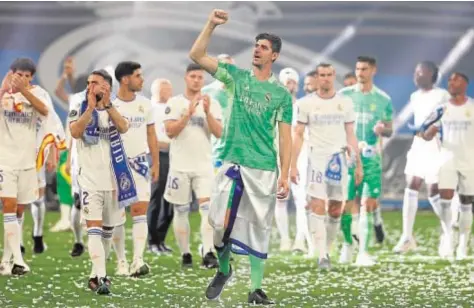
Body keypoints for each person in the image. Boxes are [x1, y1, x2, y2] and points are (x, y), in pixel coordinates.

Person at [190, 9, 293, 305]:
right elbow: (196, 54)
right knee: (219, 225)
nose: (257, 50)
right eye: (256, 46)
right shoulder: (236, 77)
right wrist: (210, 24)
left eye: (263, 47)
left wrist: (285, 174)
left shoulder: (282, 96)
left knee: (261, 227)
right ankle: (224, 270)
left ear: (274, 56)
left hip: (263, 168)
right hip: (232, 161)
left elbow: (285, 138)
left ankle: (256, 289)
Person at [292, 63, 362, 269]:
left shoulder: (345, 103)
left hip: (338, 160)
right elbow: (297, 134)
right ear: (317, 77)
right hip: (316, 159)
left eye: (329, 75)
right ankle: (322, 254)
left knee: (334, 208)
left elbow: (351, 134)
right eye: (321, 75)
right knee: (316, 204)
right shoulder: (305, 104)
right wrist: (292, 165)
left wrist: (357, 164)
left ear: (334, 77)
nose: (325, 78)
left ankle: (327, 249)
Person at [68, 69, 130, 294]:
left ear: (107, 87)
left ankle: (96, 275)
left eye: (95, 83)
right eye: (88, 83)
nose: (89, 86)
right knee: (93, 228)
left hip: (114, 180)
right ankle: (102, 277)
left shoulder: (117, 107)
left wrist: (107, 106)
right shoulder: (79, 105)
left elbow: (123, 127)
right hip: (89, 179)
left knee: (107, 230)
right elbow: (75, 132)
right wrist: (91, 108)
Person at [163, 63, 222, 269]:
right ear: (186, 78)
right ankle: (186, 253)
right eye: (193, 76)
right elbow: (170, 131)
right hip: (179, 166)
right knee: (181, 211)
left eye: (200, 77)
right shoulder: (175, 102)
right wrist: (188, 113)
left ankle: (208, 252)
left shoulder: (211, 103)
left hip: (204, 165)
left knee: (207, 209)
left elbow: (219, 133)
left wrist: (207, 113)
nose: (197, 80)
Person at [339, 56, 393, 266]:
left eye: (364, 69)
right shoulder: (343, 96)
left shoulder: (383, 99)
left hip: (371, 159)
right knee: (346, 204)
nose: (360, 73)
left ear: (373, 71)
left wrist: (383, 129)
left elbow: (390, 129)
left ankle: (363, 252)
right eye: (358, 68)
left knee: (367, 204)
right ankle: (347, 244)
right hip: (348, 157)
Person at [393, 61, 451, 254]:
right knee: (412, 184)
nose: (416, 76)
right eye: (416, 72)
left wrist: (434, 130)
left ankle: (448, 234)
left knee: (434, 191)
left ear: (432, 75)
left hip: (436, 145)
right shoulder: (414, 96)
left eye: (421, 73)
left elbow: (446, 117)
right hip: (418, 144)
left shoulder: (442, 95)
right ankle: (407, 237)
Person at [0, 58, 50, 275]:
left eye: (28, 76)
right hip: (5, 160)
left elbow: (45, 111)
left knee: (19, 210)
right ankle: (19, 261)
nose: (24, 79)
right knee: (9, 206)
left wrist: (25, 91)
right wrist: (4, 88)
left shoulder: (37, 94)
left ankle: (6, 260)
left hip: (28, 161)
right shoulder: (4, 96)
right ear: (12, 73)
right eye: (20, 75)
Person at [419, 72, 473, 260]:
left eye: (456, 79)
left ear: (465, 84)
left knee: (467, 203)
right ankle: (448, 236)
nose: (451, 82)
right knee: (445, 200)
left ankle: (463, 245)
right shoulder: (441, 109)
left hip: (469, 161)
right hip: (447, 159)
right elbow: (422, 132)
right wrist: (430, 132)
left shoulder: (472, 107)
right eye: (449, 80)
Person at [112, 61, 159, 277]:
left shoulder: (146, 104)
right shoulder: (112, 106)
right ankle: (121, 261)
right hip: (117, 166)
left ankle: (138, 261)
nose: (142, 79)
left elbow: (151, 134)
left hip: (140, 164)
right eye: (138, 76)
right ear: (125, 79)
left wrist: (155, 162)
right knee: (118, 215)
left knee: (140, 211)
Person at [147, 78, 174, 255]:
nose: (167, 93)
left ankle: (161, 238)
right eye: (164, 89)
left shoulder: (171, 109)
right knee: (156, 197)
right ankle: (152, 241)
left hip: (174, 156)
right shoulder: (149, 110)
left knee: (170, 200)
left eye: (169, 89)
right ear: (155, 91)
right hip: (156, 156)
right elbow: (148, 136)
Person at [274, 67, 299, 252]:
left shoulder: (302, 105)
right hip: (279, 154)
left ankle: (300, 239)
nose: (290, 86)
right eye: (287, 82)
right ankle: (284, 239)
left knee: (301, 199)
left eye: (292, 82)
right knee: (280, 198)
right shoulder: (274, 105)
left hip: (298, 155)